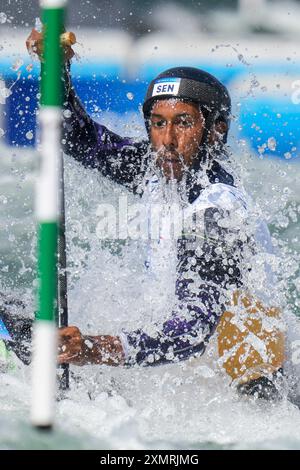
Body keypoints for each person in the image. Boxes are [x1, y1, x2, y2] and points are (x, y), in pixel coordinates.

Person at [1, 28, 286, 400]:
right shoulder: (157, 165)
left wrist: (91, 349)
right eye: (157, 122)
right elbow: (76, 136)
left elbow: (190, 334)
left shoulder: (218, 213)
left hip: (244, 393)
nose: (166, 140)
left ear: (217, 131)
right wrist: (55, 69)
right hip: (177, 370)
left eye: (184, 123)